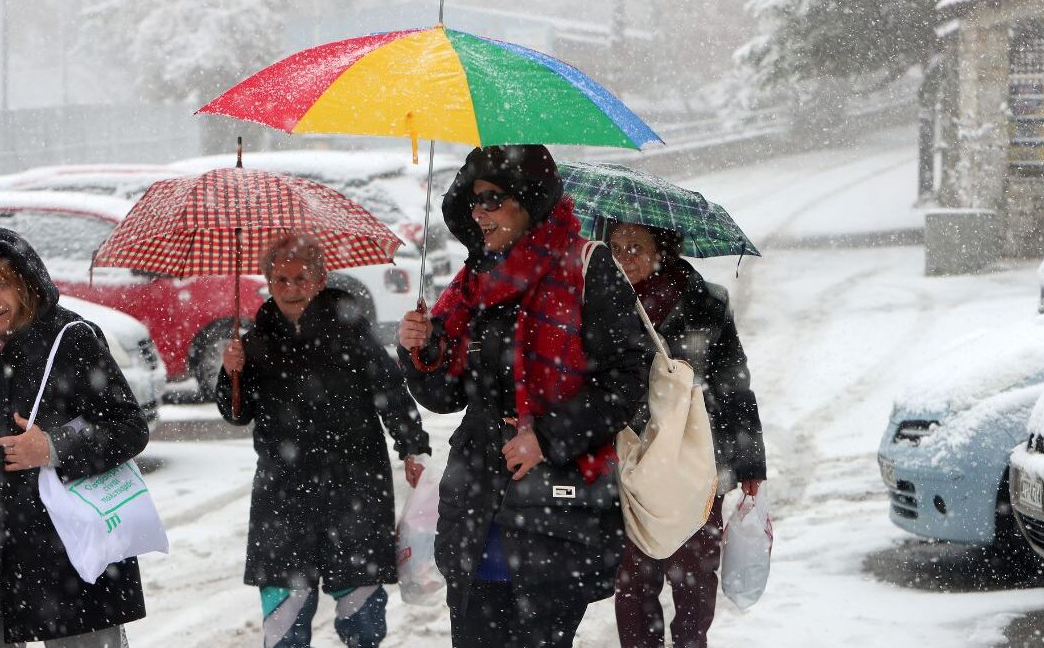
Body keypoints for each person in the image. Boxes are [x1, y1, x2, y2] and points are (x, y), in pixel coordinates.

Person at [397, 145, 653, 648]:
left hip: (557, 508)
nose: (479, 212)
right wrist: (419, 350)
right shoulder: (474, 281)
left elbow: (627, 381)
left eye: (492, 199)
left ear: (529, 201)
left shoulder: (586, 267)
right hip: (477, 506)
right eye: (473, 202)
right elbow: (447, 396)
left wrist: (547, 437)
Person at [0, 228, 149, 648]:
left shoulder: (73, 339)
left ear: (26, 284)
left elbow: (129, 427)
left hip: (69, 555)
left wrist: (53, 446)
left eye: (2, 285)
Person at [217, 233, 431, 648]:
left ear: (320, 280)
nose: (291, 289)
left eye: (301, 279)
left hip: (354, 489)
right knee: (284, 627)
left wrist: (411, 446)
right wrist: (231, 374)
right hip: (283, 497)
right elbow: (237, 414)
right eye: (281, 280)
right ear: (268, 281)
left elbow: (389, 390)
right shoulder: (255, 341)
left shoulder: (349, 329)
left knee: (363, 622)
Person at [607, 221, 767, 648]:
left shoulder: (706, 302)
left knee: (694, 579)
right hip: (632, 461)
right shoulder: (601, 301)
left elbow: (735, 385)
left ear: (664, 249)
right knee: (634, 582)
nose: (624, 257)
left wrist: (751, 463)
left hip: (697, 461)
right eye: (616, 246)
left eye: (636, 246)